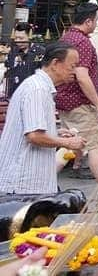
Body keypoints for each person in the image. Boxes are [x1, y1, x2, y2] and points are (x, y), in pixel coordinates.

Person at [0, 42, 86, 195]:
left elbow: (32, 130)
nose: (75, 71)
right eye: (72, 66)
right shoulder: (37, 89)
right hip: (22, 184)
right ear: (55, 64)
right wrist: (68, 143)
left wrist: (56, 134)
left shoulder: (40, 87)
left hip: (27, 183)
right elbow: (34, 136)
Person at [55, 3, 98, 194]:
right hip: (79, 103)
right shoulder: (83, 43)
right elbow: (82, 76)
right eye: (95, 21)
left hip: (63, 100)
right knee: (94, 146)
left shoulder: (66, 38)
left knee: (71, 143)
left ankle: (45, 184)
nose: (96, 24)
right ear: (88, 21)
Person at [5, 24, 44, 99]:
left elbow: (40, 68)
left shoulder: (39, 52)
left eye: (21, 38)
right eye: (16, 38)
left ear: (30, 36)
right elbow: (8, 68)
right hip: (13, 93)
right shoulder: (13, 51)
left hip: (32, 94)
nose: (18, 41)